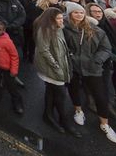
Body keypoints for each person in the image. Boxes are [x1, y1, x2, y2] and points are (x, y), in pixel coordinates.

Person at [62, 2, 116, 143]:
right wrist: (69, 56)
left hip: (92, 67)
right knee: (73, 89)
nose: (79, 15)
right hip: (73, 66)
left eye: (81, 12)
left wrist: (97, 60)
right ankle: (78, 110)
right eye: (76, 12)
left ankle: (104, 124)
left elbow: (106, 48)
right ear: (69, 14)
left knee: (100, 96)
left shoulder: (95, 29)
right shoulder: (63, 28)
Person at [33, 8, 82, 137]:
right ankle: (64, 120)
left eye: (62, 18)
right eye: (59, 18)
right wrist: (56, 67)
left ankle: (48, 115)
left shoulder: (58, 28)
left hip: (59, 65)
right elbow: (44, 51)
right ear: (51, 20)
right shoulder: (45, 30)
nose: (62, 20)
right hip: (52, 68)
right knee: (61, 95)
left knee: (51, 91)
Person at [0, 21, 23, 115]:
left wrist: (14, 70)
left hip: (7, 68)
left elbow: (14, 56)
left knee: (11, 86)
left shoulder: (8, 41)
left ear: (4, 30)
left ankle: (17, 103)